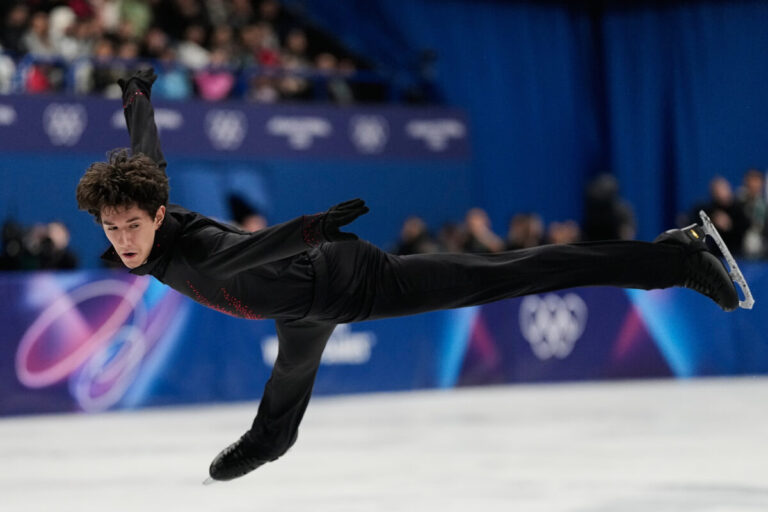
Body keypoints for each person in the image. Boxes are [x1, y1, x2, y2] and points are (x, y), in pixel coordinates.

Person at [76, 69, 741, 483]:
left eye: (132, 225)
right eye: (112, 228)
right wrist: (136, 94)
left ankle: (675, 257)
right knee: (290, 374)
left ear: (156, 215)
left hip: (347, 280)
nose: (124, 239)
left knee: (514, 272)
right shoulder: (147, 203)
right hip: (298, 306)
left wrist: (311, 228)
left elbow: (240, 257)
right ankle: (271, 439)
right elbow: (146, 155)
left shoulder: (193, 249)